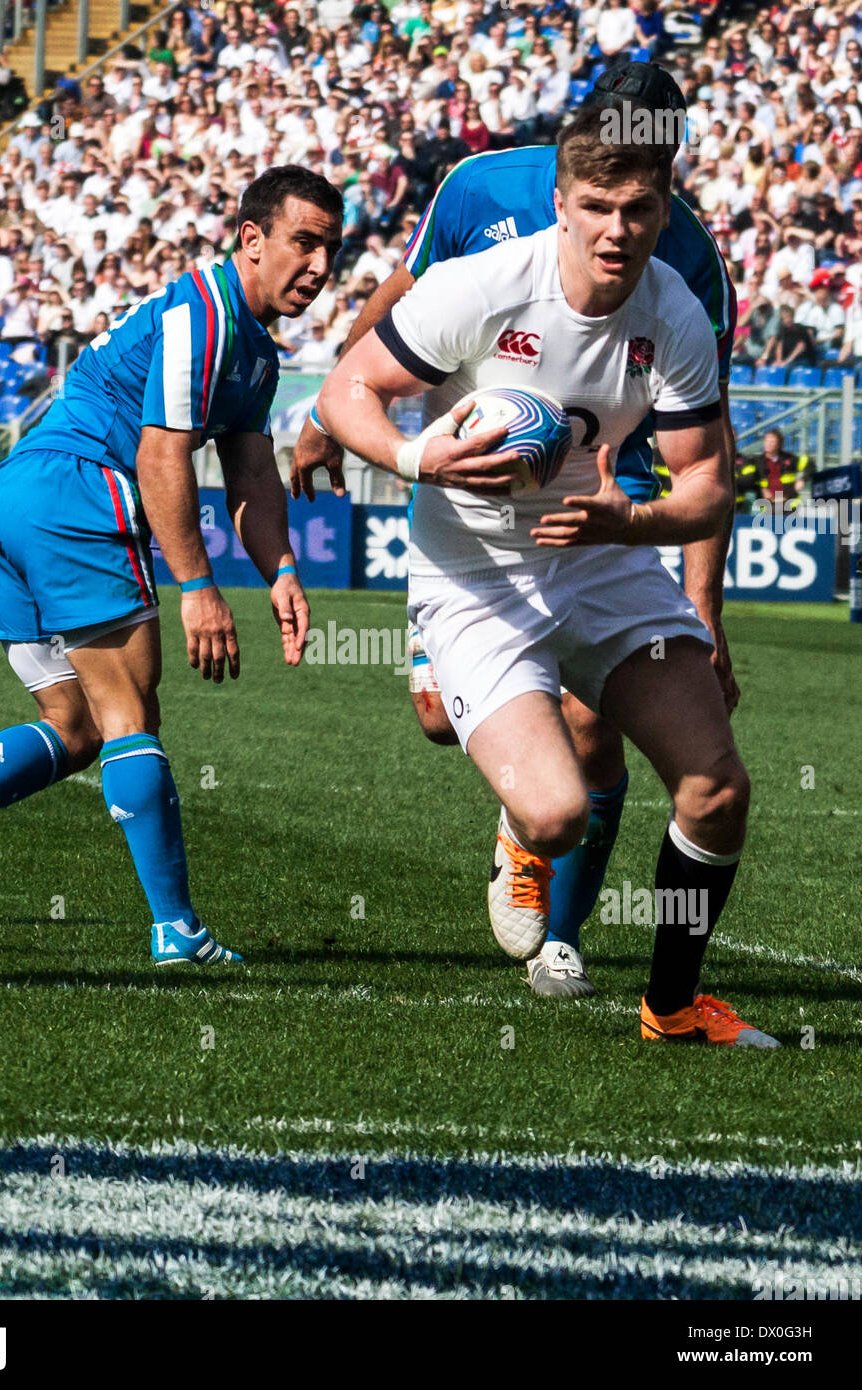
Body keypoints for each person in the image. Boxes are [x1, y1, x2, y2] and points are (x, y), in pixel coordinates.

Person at [314, 109, 777, 1050]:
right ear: (559, 204)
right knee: (559, 813)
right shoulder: (482, 285)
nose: (616, 229)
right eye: (596, 206)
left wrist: (631, 523)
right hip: (475, 573)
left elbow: (705, 485)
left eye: (637, 209)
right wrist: (416, 460)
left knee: (716, 790)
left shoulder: (674, 313)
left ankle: (673, 1008)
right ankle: (523, 832)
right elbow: (345, 389)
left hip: (604, 558)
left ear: (664, 210)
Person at [0, 166, 343, 967]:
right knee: (130, 715)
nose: (320, 266)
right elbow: (161, 456)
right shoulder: (205, 315)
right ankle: (176, 930)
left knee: (78, 724)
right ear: (252, 239)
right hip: (76, 492)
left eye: (331, 249)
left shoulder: (251, 349)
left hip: (10, 499)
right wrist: (198, 587)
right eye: (304, 242)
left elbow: (250, 473)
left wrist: (282, 570)